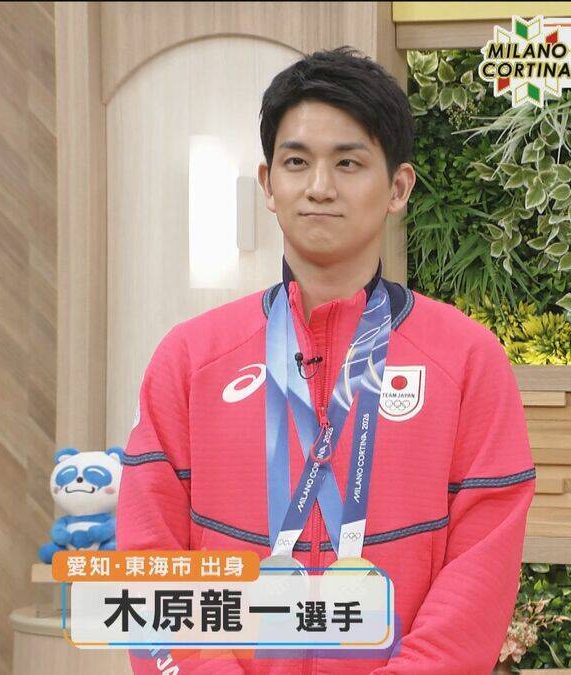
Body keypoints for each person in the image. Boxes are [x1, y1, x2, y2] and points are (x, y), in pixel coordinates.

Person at [117, 47, 535, 674]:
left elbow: (480, 571)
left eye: (348, 162)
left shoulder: (467, 360)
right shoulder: (191, 358)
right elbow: (150, 557)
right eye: (297, 162)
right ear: (268, 184)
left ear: (398, 187)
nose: (319, 187)